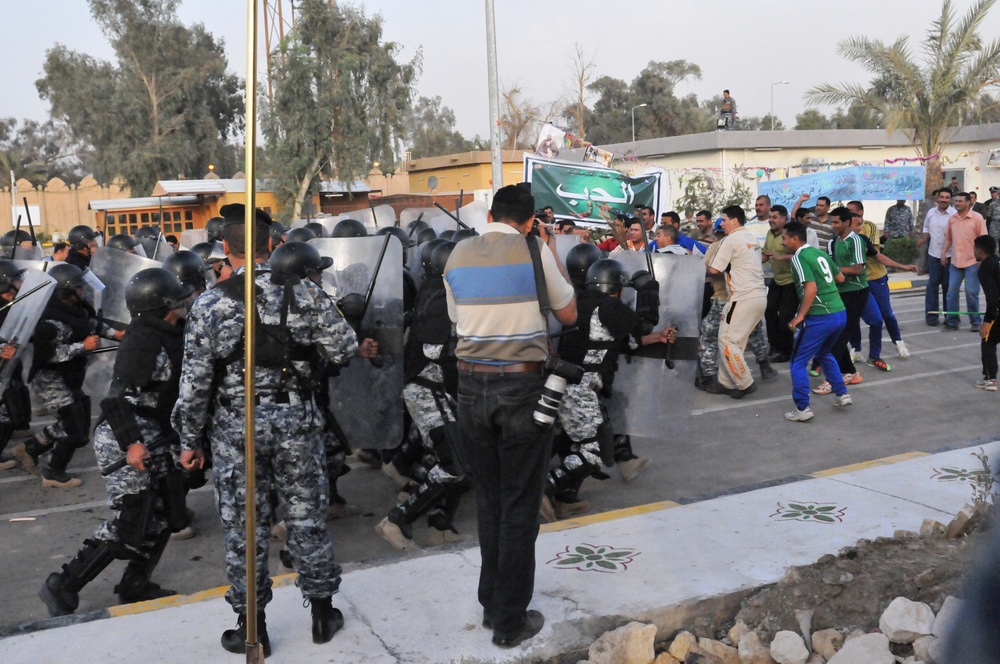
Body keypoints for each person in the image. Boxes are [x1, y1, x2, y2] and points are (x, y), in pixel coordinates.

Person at [173, 204, 377, 655]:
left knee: (245, 526)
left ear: (226, 248)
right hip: (295, 420)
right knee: (306, 515)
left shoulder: (209, 303)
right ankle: (323, 614)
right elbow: (343, 349)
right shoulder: (304, 292)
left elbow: (194, 385)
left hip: (235, 425)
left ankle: (253, 627)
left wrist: (189, 440)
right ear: (273, 243)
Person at [443, 184, 576, 648]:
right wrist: (550, 250)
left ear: (493, 214)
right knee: (521, 504)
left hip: (469, 387)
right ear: (529, 220)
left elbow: (459, 321)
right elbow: (569, 312)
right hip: (522, 387)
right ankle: (509, 622)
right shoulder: (534, 249)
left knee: (490, 499)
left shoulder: (457, 255)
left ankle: (490, 604)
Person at [39, 268, 194, 617]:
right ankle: (62, 584)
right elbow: (116, 399)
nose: (186, 303)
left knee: (166, 510)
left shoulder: (172, 332)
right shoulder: (144, 340)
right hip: (127, 436)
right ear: (164, 304)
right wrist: (132, 444)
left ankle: (135, 584)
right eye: (179, 299)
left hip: (157, 432)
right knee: (133, 521)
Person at [544, 258, 672, 517]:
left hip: (567, 386)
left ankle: (565, 498)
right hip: (580, 389)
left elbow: (621, 341)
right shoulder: (610, 306)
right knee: (593, 452)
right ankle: (545, 488)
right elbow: (643, 324)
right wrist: (648, 290)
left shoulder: (582, 304)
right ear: (618, 285)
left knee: (577, 446)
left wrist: (657, 338)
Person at [376, 240, 472, 551]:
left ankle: (440, 523)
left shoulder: (434, 290)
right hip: (428, 390)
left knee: (450, 454)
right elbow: (435, 350)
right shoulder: (440, 301)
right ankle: (398, 520)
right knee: (455, 462)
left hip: (434, 389)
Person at [13, 263, 125, 487]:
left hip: (69, 376)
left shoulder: (75, 309)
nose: (83, 290)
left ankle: (30, 448)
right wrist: (82, 346)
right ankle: (53, 473)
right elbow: (49, 355)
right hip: (50, 380)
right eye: (78, 287)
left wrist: (117, 334)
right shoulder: (50, 322)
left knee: (76, 422)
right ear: (66, 291)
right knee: (74, 428)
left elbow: (90, 323)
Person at [781, 221, 852, 421]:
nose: (783, 243)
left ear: (795, 239)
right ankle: (841, 393)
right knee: (824, 352)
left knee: (797, 361)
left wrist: (800, 315)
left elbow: (810, 288)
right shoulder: (819, 253)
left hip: (820, 316)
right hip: (839, 312)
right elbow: (840, 278)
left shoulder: (799, 258)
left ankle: (802, 408)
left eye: (784, 239)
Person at [697, 219, 776, 391]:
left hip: (726, 298)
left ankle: (715, 376)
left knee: (714, 337)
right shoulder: (749, 240)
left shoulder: (722, 245)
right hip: (752, 296)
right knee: (751, 334)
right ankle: (763, 365)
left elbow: (712, 270)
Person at [846, 201, 914, 367]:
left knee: (886, 314)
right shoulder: (839, 238)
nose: (848, 215)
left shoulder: (867, 229)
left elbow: (872, 253)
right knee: (853, 317)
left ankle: (898, 342)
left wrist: (902, 266)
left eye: (852, 212)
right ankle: (856, 349)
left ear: (861, 212)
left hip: (875, 277)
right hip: (857, 282)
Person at [813, 207, 868, 395]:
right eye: (832, 222)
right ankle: (851, 373)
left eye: (836, 222)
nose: (833, 225)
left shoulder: (856, 241)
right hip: (840, 292)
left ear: (846, 222)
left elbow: (857, 269)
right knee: (835, 335)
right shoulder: (833, 242)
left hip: (857, 292)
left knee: (839, 338)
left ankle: (832, 380)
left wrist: (834, 270)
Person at [941, 192, 988, 331]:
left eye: (960, 201)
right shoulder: (952, 219)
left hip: (973, 262)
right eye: (956, 201)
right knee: (951, 293)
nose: (957, 203)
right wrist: (943, 253)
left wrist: (983, 260)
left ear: (968, 202)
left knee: (971, 292)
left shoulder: (977, 218)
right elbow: (948, 238)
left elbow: (984, 240)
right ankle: (952, 322)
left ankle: (975, 321)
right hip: (955, 262)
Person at [762, 205, 797, 362]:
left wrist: (780, 256)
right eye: (770, 217)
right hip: (777, 280)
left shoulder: (790, 234)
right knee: (769, 311)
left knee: (785, 317)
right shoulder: (769, 234)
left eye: (774, 217)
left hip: (791, 280)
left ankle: (787, 350)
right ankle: (774, 345)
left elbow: (800, 255)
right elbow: (765, 255)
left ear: (784, 218)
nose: (771, 220)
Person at [921, 188, 955, 326]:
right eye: (942, 197)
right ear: (937, 199)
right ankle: (932, 317)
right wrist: (923, 239)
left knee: (948, 287)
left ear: (950, 200)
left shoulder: (954, 214)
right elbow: (926, 228)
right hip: (933, 255)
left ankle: (949, 317)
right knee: (932, 286)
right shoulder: (931, 212)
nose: (944, 200)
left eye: (947, 198)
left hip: (950, 256)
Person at [974, 235, 1000, 391]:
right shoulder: (997, 261)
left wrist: (987, 321)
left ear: (980, 250)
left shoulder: (985, 267)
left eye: (974, 248)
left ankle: (990, 379)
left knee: (988, 341)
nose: (973, 251)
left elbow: (992, 298)